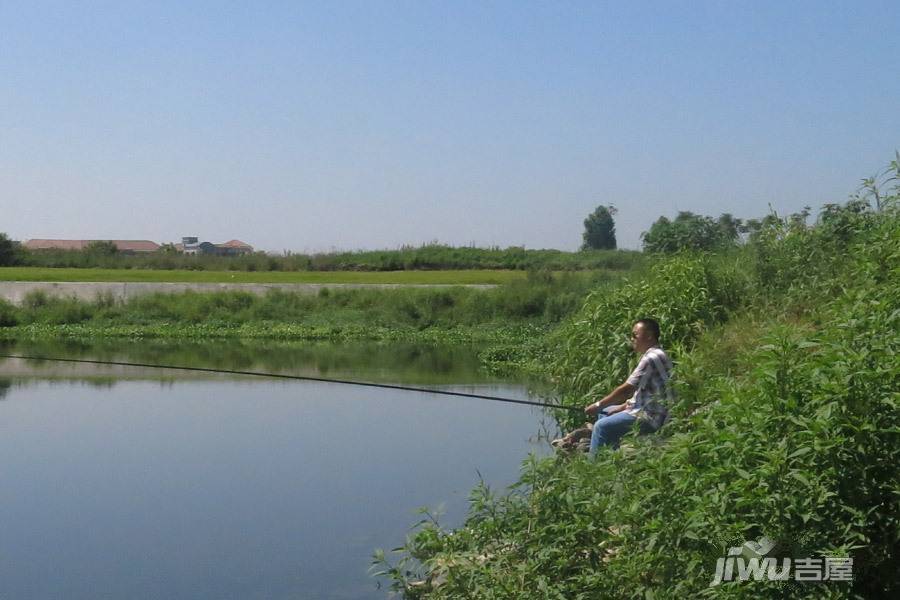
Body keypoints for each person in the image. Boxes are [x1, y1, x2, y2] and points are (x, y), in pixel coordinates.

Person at [552, 318, 673, 453]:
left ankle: (594, 469)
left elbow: (627, 389)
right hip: (645, 409)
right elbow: (641, 393)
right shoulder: (654, 354)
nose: (632, 339)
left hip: (653, 417)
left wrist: (598, 405)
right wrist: (621, 407)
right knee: (606, 413)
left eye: (635, 335)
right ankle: (610, 457)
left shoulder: (652, 357)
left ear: (649, 336)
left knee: (601, 426)